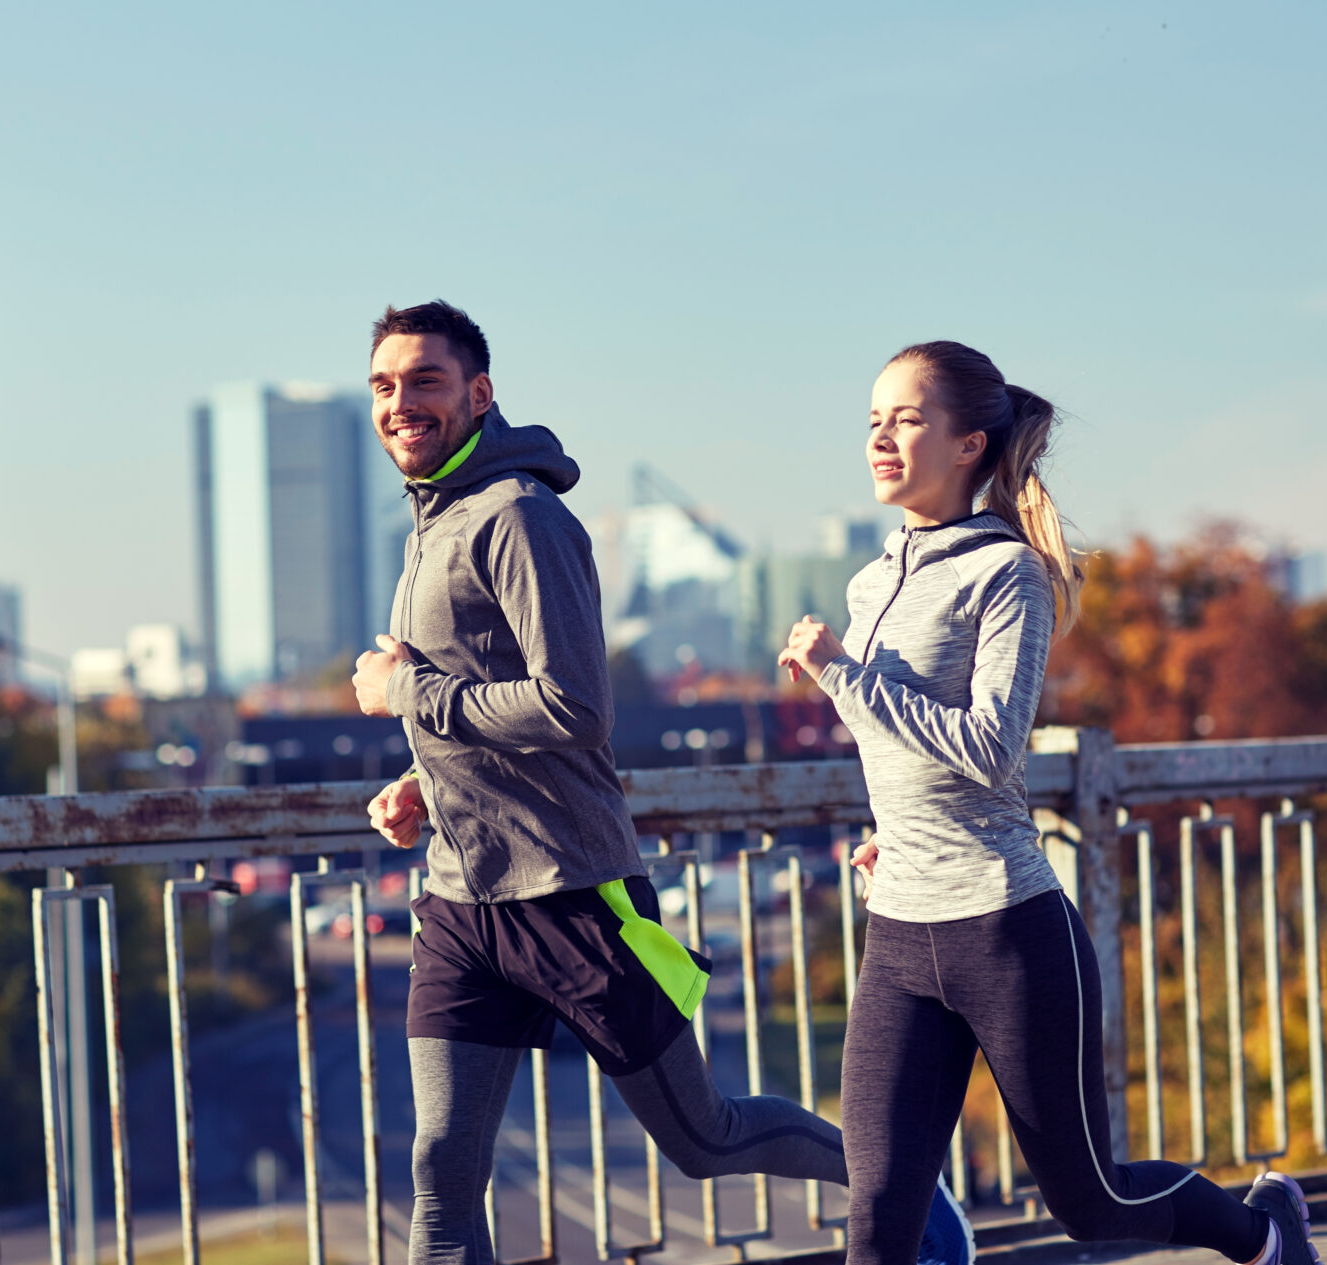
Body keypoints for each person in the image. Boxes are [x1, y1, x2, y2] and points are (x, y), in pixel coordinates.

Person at [350, 301, 973, 1265]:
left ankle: (900, 1191)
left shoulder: (520, 516)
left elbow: (573, 708)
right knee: (441, 1168)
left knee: (705, 1138)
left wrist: (407, 692)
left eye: (425, 380)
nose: (401, 403)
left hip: (571, 894)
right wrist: (426, 782)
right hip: (459, 899)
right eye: (385, 386)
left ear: (479, 394)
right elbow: (478, 699)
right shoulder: (430, 527)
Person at [777, 340, 1320, 1265]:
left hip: (1006, 929)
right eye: (873, 420)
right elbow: (905, 750)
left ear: (969, 444)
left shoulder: (1008, 574)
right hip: (900, 933)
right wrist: (892, 830)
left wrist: (841, 673)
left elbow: (990, 748)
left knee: (1092, 1201)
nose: (880, 438)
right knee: (878, 1212)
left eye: (906, 418)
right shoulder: (869, 586)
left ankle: (1267, 1231)